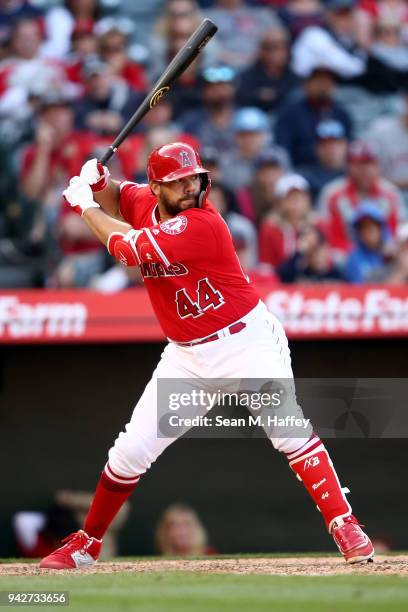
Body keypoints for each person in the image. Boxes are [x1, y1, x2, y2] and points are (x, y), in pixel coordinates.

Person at [39, 142, 374, 569]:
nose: (187, 186)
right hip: (187, 357)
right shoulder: (146, 201)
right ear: (157, 186)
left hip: (246, 343)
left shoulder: (203, 224)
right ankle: (87, 543)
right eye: (177, 181)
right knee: (130, 452)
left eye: (192, 177)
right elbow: (122, 195)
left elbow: (126, 249)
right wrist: (100, 181)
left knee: (288, 430)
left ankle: (345, 524)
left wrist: (85, 206)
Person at [318, 140, 405, 258]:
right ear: (349, 166)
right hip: (343, 257)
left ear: (378, 166)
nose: (365, 170)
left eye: (370, 163)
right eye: (359, 164)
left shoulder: (391, 193)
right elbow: (324, 233)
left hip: (384, 258)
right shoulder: (332, 193)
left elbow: (399, 232)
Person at [274, 65, 353, 166]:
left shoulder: (341, 113)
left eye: (328, 81)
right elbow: (283, 150)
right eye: (319, 81)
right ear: (307, 84)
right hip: (303, 170)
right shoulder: (290, 114)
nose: (324, 86)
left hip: (337, 171)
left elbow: (350, 146)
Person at [296, 119, 348, 200]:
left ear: (344, 144)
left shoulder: (354, 174)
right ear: (316, 148)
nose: (330, 149)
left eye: (335, 143)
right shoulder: (305, 177)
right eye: (324, 144)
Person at [343, 202, 392, 283]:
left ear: (381, 228)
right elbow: (363, 292)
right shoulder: (354, 259)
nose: (368, 232)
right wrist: (400, 272)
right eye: (363, 227)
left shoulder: (394, 253)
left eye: (372, 226)